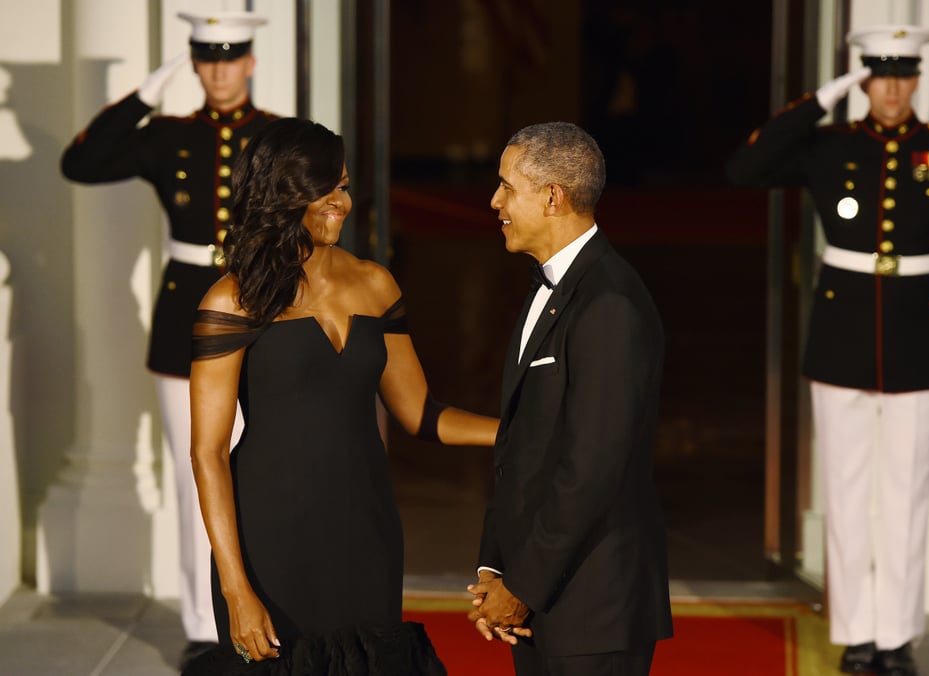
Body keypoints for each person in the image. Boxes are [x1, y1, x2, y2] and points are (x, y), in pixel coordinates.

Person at [184, 117, 498, 674]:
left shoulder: (377, 284)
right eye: (324, 190)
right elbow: (207, 453)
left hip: (364, 528)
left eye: (345, 186)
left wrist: (519, 427)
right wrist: (236, 589)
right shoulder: (233, 300)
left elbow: (420, 414)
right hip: (272, 534)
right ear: (284, 195)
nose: (340, 203)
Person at [726, 25, 929, 676]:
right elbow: (744, 168)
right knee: (845, 494)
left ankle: (896, 637)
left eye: (903, 75)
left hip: (919, 342)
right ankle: (856, 634)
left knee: (907, 495)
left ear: (918, 79)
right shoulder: (829, 145)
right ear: (864, 80)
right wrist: (820, 100)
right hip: (841, 339)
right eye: (879, 75)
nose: (893, 88)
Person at [59, 11, 278, 668]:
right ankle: (206, 627)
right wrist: (144, 95)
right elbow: (82, 161)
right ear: (192, 63)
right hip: (184, 312)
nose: (218, 70)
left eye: (230, 57)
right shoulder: (168, 135)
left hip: (258, 307)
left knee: (260, 469)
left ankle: (264, 604)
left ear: (250, 61)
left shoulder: (274, 137)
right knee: (195, 475)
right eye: (205, 58)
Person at [467, 121, 674, 675]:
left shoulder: (610, 305)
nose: (495, 202)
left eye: (507, 187)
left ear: (552, 197)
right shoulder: (550, 287)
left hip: (593, 607)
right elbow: (520, 447)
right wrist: (493, 568)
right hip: (541, 598)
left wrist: (522, 586)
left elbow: (592, 469)